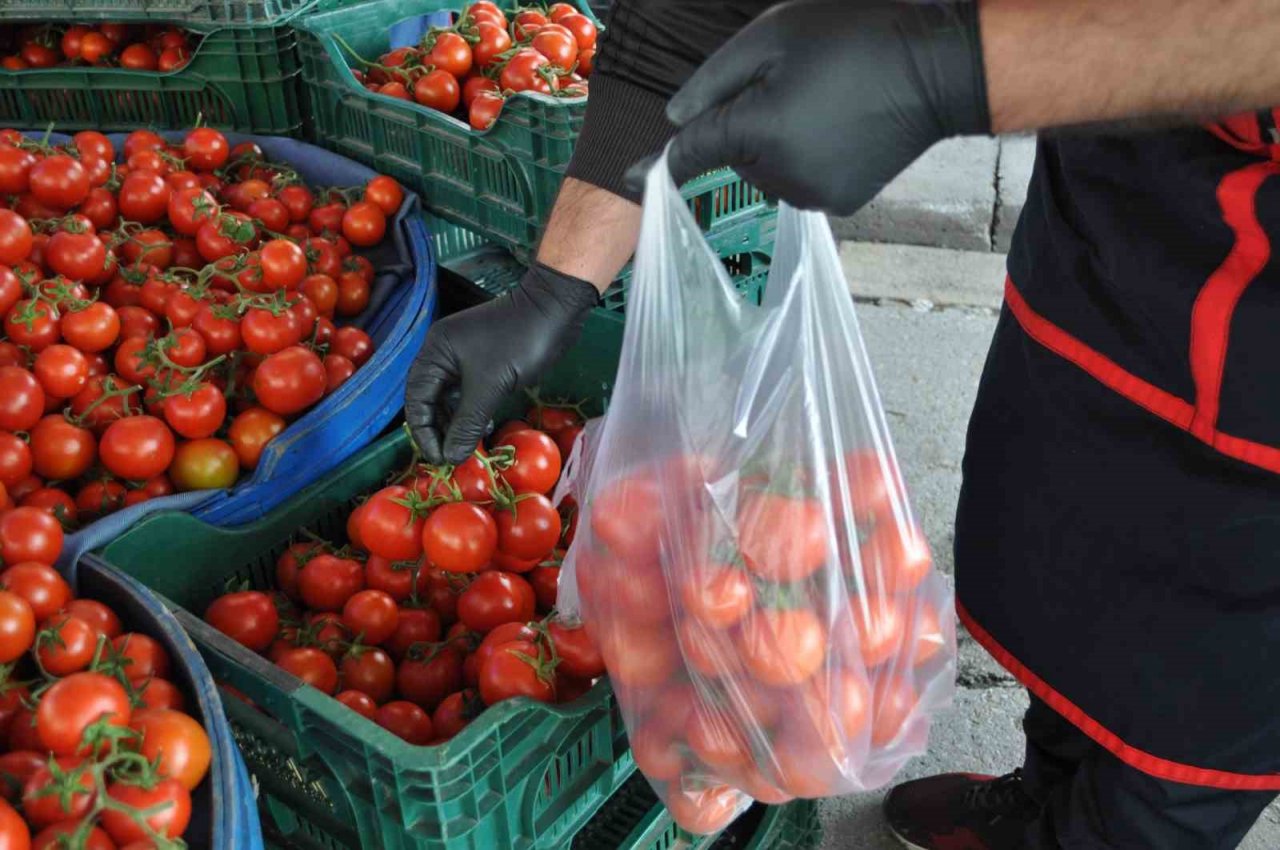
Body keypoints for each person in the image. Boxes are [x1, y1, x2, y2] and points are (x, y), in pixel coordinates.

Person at [406, 1, 1280, 847]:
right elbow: (675, 26)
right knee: (1058, 555)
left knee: (1196, 707)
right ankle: (1046, 796)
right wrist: (555, 286)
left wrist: (946, 66)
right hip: (1115, 210)